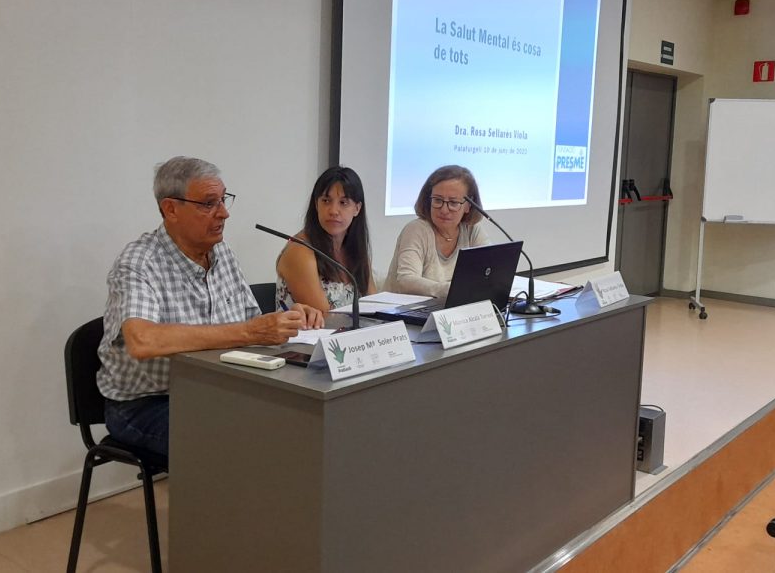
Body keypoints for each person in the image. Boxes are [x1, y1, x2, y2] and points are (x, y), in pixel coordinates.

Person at [96, 156, 323, 458]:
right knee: (236, 441)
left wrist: (288, 321)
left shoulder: (222, 252)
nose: (224, 213)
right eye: (208, 203)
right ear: (171, 209)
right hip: (147, 403)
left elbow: (253, 325)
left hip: (218, 390)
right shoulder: (139, 263)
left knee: (301, 418)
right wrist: (249, 332)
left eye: (224, 199)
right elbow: (142, 341)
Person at [276, 166, 377, 312]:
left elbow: (373, 305)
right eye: (326, 201)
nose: (333, 211)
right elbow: (324, 318)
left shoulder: (355, 250)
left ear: (357, 208)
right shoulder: (300, 251)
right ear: (316, 204)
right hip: (311, 334)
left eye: (343, 203)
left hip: (349, 333)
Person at [384, 164, 490, 298]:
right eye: (438, 200)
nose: (444, 210)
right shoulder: (417, 230)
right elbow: (406, 281)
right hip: (403, 312)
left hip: (452, 312)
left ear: (468, 205)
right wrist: (448, 290)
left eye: (453, 203)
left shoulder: (472, 230)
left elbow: (488, 272)